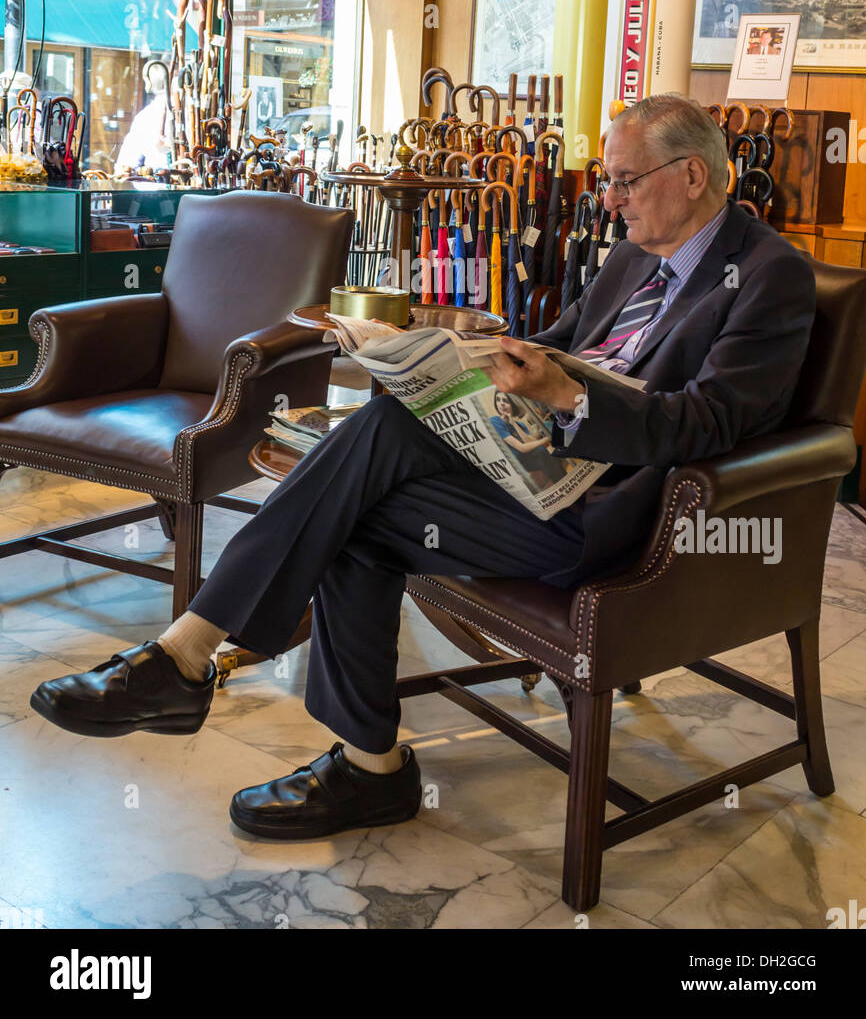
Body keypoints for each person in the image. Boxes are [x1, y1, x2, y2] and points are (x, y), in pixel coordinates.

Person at [30, 94, 817, 842]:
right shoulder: (629, 259)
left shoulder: (771, 276)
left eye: (624, 181)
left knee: (360, 479)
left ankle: (201, 663)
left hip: (620, 512)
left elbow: (715, 422)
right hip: (529, 472)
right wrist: (434, 361)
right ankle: (360, 761)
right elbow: (547, 344)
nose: (610, 200)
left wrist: (572, 398)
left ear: (692, 175)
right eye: (607, 180)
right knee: (372, 461)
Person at [488, 390, 562, 488]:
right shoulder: (495, 421)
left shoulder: (520, 424)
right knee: (541, 451)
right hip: (517, 461)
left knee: (554, 456)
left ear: (512, 404)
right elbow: (522, 448)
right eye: (498, 400)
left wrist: (513, 423)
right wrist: (546, 439)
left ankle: (563, 483)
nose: (501, 403)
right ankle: (560, 484)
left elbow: (529, 441)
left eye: (506, 401)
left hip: (529, 456)